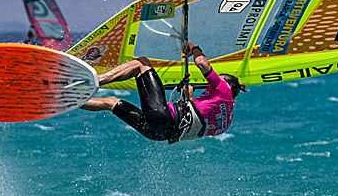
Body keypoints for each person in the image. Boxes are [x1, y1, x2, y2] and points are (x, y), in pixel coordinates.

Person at [81, 42, 245, 143]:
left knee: (142, 64)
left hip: (162, 116)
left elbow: (201, 62)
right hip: (157, 135)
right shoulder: (226, 123)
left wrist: (194, 48)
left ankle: (92, 81)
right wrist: (189, 97)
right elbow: (193, 123)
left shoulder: (223, 89)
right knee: (111, 103)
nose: (210, 85)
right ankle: (70, 98)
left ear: (228, 85)